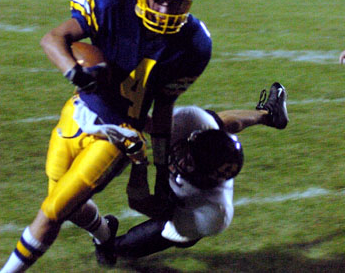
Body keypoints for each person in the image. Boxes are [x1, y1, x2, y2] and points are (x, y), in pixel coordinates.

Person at [0, 0, 211, 272]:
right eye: (158, 1)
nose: (166, 11)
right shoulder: (111, 1)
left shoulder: (192, 44)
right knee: (65, 202)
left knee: (52, 211)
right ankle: (104, 232)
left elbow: (164, 108)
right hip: (78, 111)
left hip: (119, 135)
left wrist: (162, 168)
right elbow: (53, 39)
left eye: (176, 4)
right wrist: (76, 72)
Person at [93, 82, 288, 265]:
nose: (181, 158)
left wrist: (139, 162)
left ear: (204, 176)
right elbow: (153, 125)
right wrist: (118, 108)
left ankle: (113, 247)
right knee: (212, 121)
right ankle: (267, 115)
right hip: (202, 137)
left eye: (189, 161)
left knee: (128, 246)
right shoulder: (193, 121)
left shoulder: (214, 212)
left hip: (186, 209)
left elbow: (139, 202)